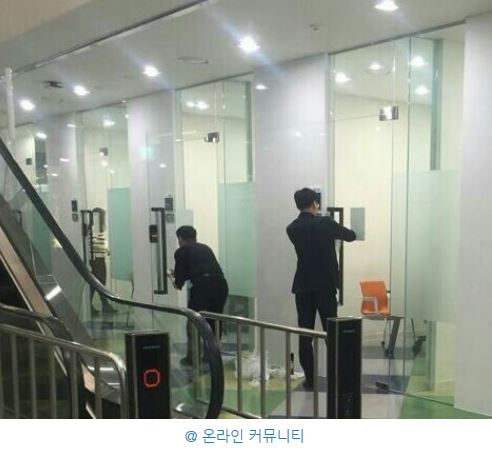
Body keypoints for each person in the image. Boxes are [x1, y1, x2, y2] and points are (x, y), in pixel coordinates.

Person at [286, 188, 356, 390]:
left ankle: (310, 379)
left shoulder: (292, 228)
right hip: (325, 286)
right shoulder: (324, 223)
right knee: (332, 333)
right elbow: (350, 236)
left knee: (304, 334)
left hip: (302, 287)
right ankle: (337, 377)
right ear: (314, 203)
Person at [168, 225, 228, 366]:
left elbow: (178, 284)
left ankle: (192, 358)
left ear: (180, 238)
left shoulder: (181, 251)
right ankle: (212, 357)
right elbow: (199, 269)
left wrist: (170, 276)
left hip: (202, 287)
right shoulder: (206, 248)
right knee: (215, 321)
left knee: (194, 320)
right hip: (220, 285)